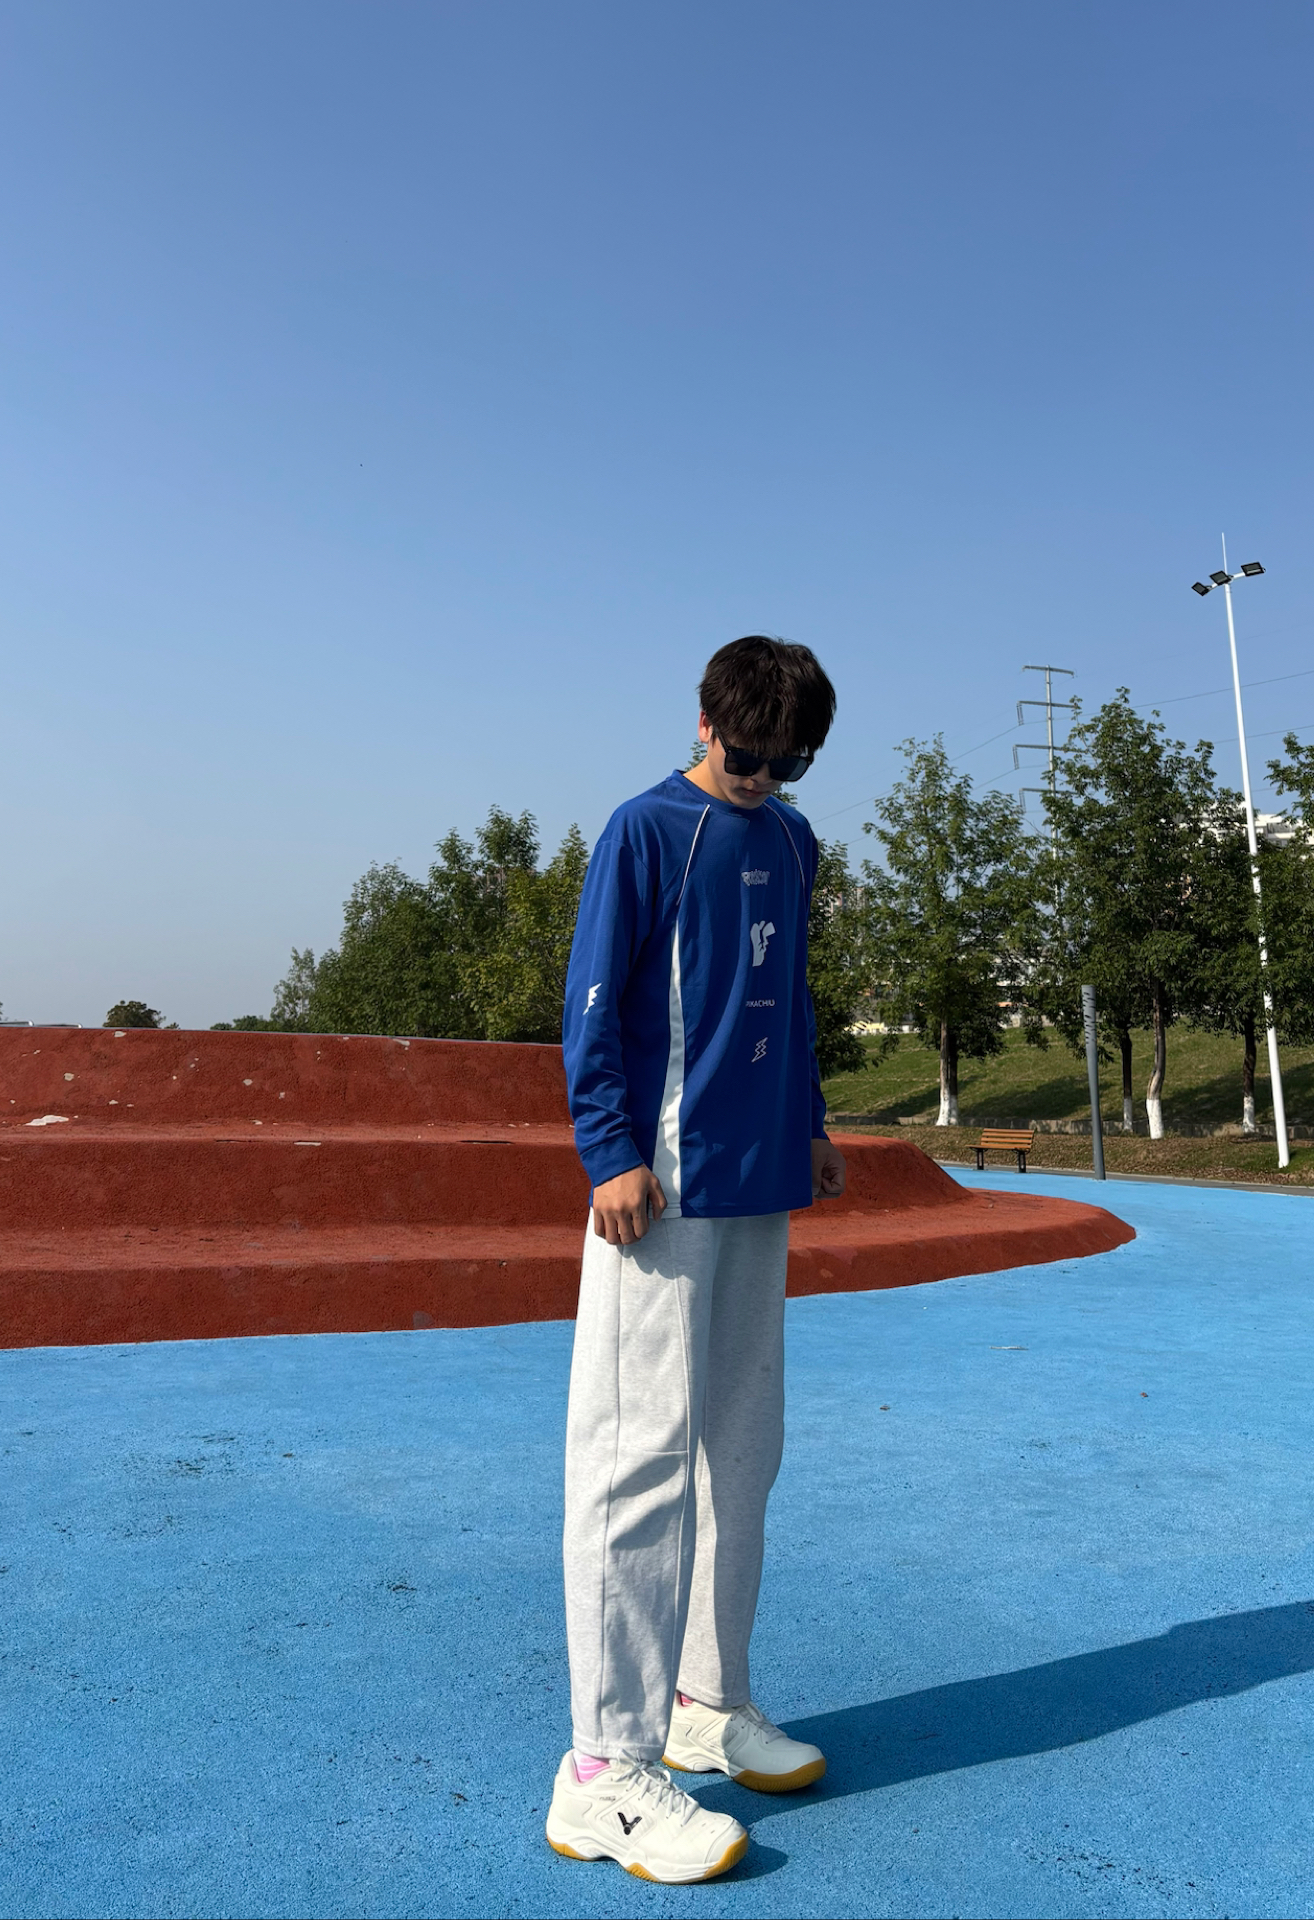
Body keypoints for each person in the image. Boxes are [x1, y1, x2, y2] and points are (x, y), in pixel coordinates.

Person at [545, 634, 847, 1884]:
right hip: (660, 1190)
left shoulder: (794, 841)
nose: (765, 779)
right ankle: (602, 1772)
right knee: (637, 1466)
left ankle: (707, 1704)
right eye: (750, 756)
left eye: (792, 763)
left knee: (743, 1452)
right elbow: (592, 998)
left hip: (762, 1176)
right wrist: (607, 1147)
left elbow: (795, 994)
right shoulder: (644, 829)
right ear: (706, 723)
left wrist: (812, 1118)